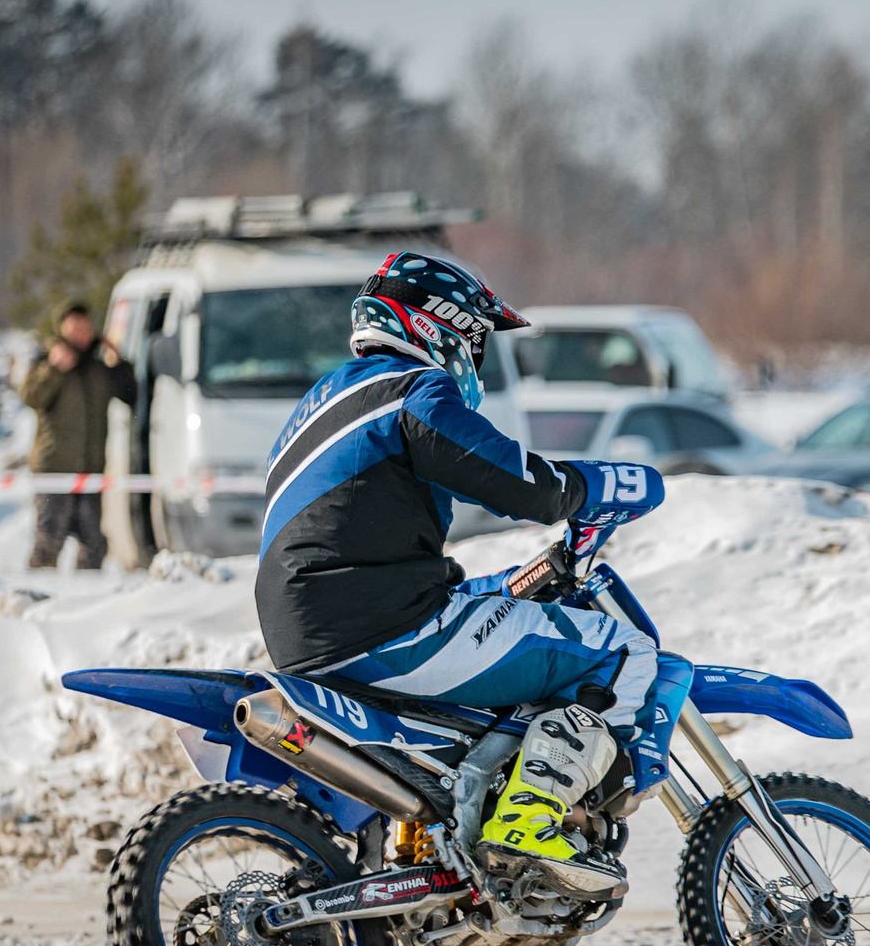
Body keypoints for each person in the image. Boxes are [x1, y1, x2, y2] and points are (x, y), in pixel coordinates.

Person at [255, 251, 685, 903]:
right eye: (476, 340)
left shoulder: (323, 400)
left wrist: (510, 583)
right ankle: (528, 821)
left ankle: (442, 849)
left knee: (491, 619)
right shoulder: (411, 389)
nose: (475, 358)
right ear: (440, 326)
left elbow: (368, 541)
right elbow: (522, 485)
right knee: (624, 649)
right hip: (381, 625)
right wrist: (611, 483)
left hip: (310, 629)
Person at [21, 303, 134, 570]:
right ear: (62, 328)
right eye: (75, 327)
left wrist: (119, 361)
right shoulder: (45, 360)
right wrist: (54, 369)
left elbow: (130, 394)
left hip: (90, 470)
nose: (81, 334)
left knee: (94, 543)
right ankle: (38, 599)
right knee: (49, 540)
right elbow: (31, 398)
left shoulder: (99, 366)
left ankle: (85, 603)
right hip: (54, 470)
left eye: (86, 327)